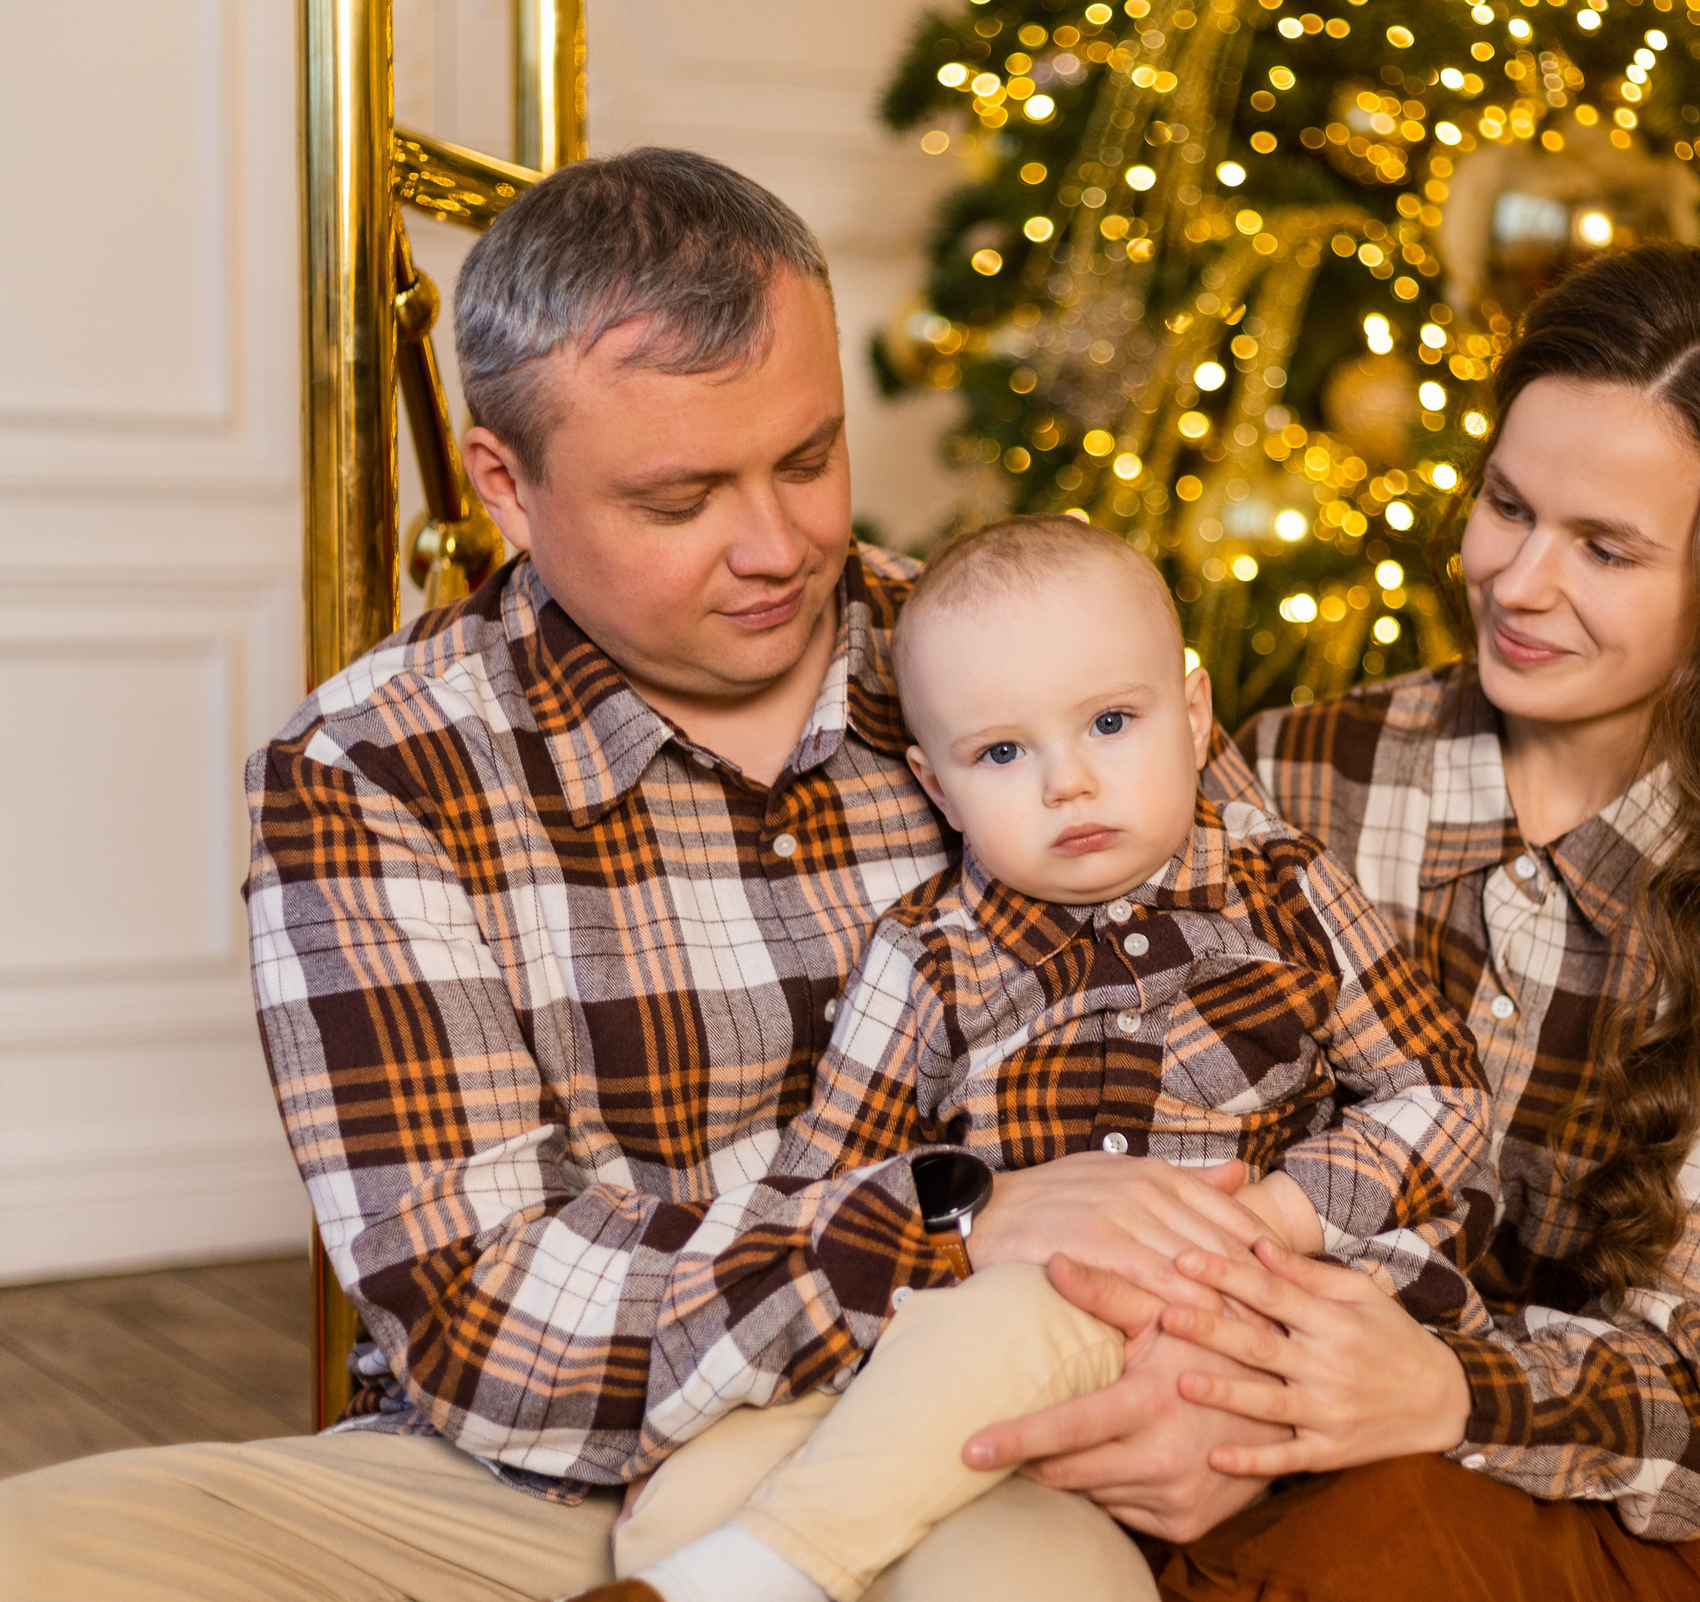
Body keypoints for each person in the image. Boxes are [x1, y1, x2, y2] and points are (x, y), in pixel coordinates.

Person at [0, 150, 1278, 1602]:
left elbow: (1304, 1069)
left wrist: (1213, 1389)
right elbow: (485, 1319)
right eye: (679, 499)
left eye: (808, 459)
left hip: (973, 1433)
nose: (778, 547)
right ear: (507, 486)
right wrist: (944, 1220)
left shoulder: (1028, 662)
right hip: (529, 1485)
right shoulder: (375, 768)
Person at [966, 245, 1700, 1601]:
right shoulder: (1299, 768)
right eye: (1508, 505)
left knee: (1358, 1554)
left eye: (1604, 548)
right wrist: (1219, 1398)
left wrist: (1435, 1388)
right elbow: (1147, 1109)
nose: (1518, 579)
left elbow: (1698, 1384)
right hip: (1250, 1385)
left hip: (1597, 1493)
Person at [579, 515, 1493, 1602]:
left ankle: (768, 1568)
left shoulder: (1287, 891)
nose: (1068, 782)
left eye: (1110, 722)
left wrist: (1267, 1222)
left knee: (1023, 1311)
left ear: (1193, 715)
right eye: (1003, 753)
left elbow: (1441, 1092)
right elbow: (825, 1182)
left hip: (1223, 1314)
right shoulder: (929, 956)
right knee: (712, 1472)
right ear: (937, 786)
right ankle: (683, 1565)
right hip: (973, 1334)